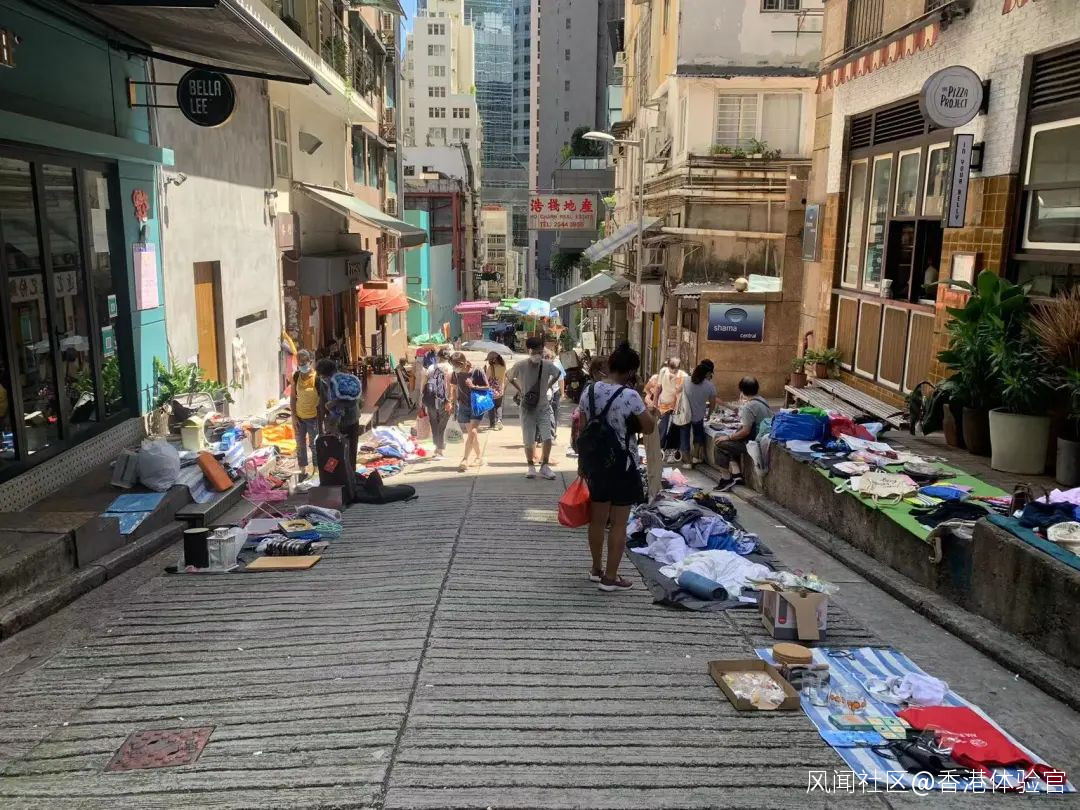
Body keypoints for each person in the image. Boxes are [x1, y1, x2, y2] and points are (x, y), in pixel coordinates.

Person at [576, 342, 654, 592]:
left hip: (596, 463)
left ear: (609, 365)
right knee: (619, 523)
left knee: (597, 520)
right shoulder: (630, 396)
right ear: (631, 371)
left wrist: (582, 462)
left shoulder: (589, 391)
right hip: (622, 465)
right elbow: (649, 427)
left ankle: (596, 569)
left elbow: (583, 428)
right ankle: (610, 578)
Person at [507, 336, 562, 480]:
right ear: (528, 350)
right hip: (527, 408)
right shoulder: (520, 365)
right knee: (528, 439)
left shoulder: (547, 365)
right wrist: (520, 390)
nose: (538, 354)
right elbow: (509, 377)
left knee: (547, 437)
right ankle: (530, 466)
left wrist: (548, 386)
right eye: (535, 351)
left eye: (540, 351)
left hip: (543, 407)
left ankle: (545, 465)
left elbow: (558, 374)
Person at [714, 376, 772, 490]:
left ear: (742, 390)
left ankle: (726, 479)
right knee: (724, 439)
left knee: (719, 442)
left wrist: (729, 437)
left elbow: (745, 431)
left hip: (753, 444)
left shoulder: (749, 407)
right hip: (763, 440)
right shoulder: (762, 400)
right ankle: (736, 473)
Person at [316, 357, 361, 486]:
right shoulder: (323, 383)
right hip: (334, 424)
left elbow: (353, 402)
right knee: (334, 453)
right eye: (322, 377)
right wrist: (321, 428)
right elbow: (322, 403)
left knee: (350, 452)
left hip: (350, 421)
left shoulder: (344, 381)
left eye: (324, 376)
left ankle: (351, 481)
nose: (323, 378)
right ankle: (336, 480)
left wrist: (335, 403)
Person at [449, 351, 488, 472]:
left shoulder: (477, 371)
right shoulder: (456, 373)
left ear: (463, 363)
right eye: (453, 365)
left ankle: (465, 459)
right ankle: (479, 457)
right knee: (472, 433)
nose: (455, 368)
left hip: (476, 405)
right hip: (463, 405)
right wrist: (452, 404)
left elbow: (487, 387)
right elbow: (454, 388)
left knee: (472, 431)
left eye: (456, 365)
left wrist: (473, 386)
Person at [644, 357, 688, 462]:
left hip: (677, 407)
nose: (674, 371)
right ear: (668, 366)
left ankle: (671, 450)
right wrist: (654, 403)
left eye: (676, 369)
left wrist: (674, 407)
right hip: (663, 406)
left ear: (679, 368)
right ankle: (659, 449)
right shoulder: (663, 372)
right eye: (672, 368)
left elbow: (679, 393)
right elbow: (658, 388)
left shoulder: (683, 376)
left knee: (674, 429)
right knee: (662, 428)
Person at [680, 360, 716, 468]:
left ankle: (687, 462)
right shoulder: (710, 386)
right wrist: (709, 414)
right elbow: (712, 404)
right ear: (707, 373)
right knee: (698, 435)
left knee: (684, 437)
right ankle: (696, 457)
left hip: (684, 414)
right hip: (699, 416)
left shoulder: (685, 380)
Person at [290, 349, 320, 478]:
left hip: (314, 418)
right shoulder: (296, 376)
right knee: (300, 445)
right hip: (299, 417)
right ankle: (302, 470)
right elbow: (293, 397)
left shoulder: (317, 378)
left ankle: (316, 470)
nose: (301, 365)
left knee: (314, 445)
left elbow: (322, 398)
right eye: (299, 362)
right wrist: (294, 416)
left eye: (304, 362)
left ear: (310, 361)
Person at [422, 347, 454, 460]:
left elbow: (424, 385)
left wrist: (422, 401)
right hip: (444, 400)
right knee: (442, 425)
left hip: (430, 400)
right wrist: (450, 401)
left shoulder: (431, 367)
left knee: (434, 423)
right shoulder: (450, 368)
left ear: (438, 357)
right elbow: (451, 386)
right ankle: (440, 450)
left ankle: (437, 448)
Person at [543, 348, 565, 441]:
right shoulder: (540, 365)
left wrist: (562, 393)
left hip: (554, 392)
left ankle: (552, 433)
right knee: (550, 414)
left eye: (548, 357)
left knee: (553, 414)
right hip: (545, 392)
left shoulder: (557, 364)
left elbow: (561, 379)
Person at [485, 351, 507, 431]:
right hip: (500, 389)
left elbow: (486, 379)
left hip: (491, 390)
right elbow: (505, 379)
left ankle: (492, 424)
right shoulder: (503, 367)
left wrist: (485, 371)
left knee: (490, 407)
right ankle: (499, 420)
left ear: (494, 359)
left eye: (490, 359)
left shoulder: (490, 368)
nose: (489, 361)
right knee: (499, 406)